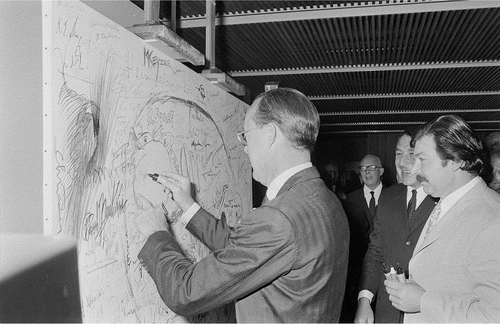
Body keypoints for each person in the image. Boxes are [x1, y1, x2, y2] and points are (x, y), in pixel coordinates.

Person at [133, 88, 350, 322]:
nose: (245, 147)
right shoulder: (325, 199)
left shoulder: (280, 217)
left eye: (246, 135)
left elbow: (185, 293)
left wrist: (157, 235)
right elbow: (246, 251)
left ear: (269, 134)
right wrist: (188, 206)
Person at [384, 115, 500, 322]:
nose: (415, 169)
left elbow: (494, 316)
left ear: (455, 160)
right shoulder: (447, 202)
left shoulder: (492, 221)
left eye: (422, 159)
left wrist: (423, 301)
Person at [355, 128, 437, 323]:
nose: (402, 162)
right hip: (387, 312)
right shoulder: (388, 197)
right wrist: (364, 301)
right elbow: (376, 252)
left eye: (412, 154)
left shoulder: (442, 200)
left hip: (426, 313)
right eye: (398, 154)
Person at [347, 154, 385, 234]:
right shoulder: (351, 199)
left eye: (371, 168)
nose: (367, 172)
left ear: (381, 171)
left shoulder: (394, 196)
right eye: (363, 168)